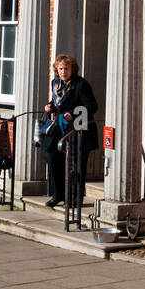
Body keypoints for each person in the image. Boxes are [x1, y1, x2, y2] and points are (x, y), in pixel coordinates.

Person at [41, 54, 99, 207]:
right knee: (52, 156)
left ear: (73, 69)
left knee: (76, 165)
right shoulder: (56, 84)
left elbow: (92, 107)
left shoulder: (81, 84)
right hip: (58, 128)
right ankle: (58, 194)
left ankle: (75, 199)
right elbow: (58, 102)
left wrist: (73, 113)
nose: (63, 72)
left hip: (78, 130)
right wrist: (49, 107)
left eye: (66, 68)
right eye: (60, 69)